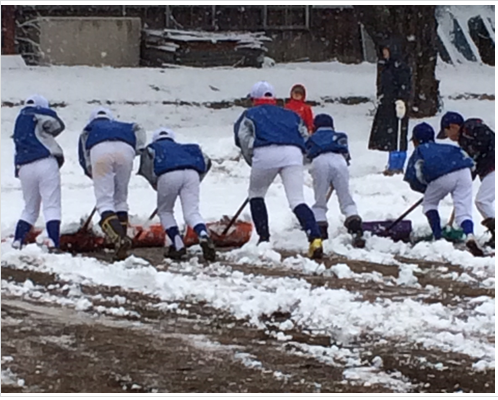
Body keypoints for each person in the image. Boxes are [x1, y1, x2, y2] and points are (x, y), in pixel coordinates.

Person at [234, 81, 323, 260]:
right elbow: (305, 135)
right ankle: (315, 236)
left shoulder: (250, 114)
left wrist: (251, 157)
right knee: (297, 200)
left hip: (265, 151)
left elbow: (242, 137)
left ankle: (264, 238)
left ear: (254, 99)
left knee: (256, 194)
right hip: (293, 152)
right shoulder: (290, 114)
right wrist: (301, 156)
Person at [404, 122, 484, 257]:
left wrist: (426, 190)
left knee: (429, 204)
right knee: (463, 209)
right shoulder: (447, 147)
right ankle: (470, 235)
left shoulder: (421, 150)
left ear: (416, 141)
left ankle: (438, 238)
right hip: (464, 171)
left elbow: (414, 176)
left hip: (443, 175)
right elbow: (467, 158)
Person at [137, 127, 216, 261]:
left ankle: (178, 245)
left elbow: (147, 170)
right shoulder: (184, 149)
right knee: (192, 212)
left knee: (165, 212)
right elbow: (207, 162)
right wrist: (197, 180)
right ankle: (203, 234)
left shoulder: (153, 149)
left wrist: (157, 185)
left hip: (167, 174)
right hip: (192, 173)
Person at [78, 107, 146, 261]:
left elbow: (83, 153)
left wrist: (90, 171)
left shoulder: (89, 128)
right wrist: (137, 149)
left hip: (99, 150)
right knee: (120, 199)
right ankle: (121, 241)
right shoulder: (124, 125)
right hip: (126, 149)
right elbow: (139, 129)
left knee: (104, 202)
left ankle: (119, 239)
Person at [11, 95, 65, 250]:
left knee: (30, 208)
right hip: (45, 161)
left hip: (24, 166)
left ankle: (18, 239)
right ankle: (53, 240)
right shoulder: (38, 115)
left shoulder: (19, 122)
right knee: (51, 205)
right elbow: (58, 125)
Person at [305, 113, 365, 248]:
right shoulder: (340, 136)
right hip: (340, 161)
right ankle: (354, 223)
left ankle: (320, 228)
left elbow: (307, 155)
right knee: (345, 197)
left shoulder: (312, 138)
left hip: (319, 161)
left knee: (320, 199)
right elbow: (346, 155)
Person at [437, 111, 495, 248]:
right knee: (483, 200)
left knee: (483, 200)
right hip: (488, 170)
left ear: (453, 127)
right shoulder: (464, 142)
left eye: (446, 133)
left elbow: (487, 140)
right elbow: (472, 162)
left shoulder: (471, 128)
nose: (448, 137)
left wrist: (475, 157)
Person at [368, 39, 412, 176]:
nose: (385, 53)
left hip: (398, 105)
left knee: (398, 135)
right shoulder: (387, 66)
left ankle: (397, 165)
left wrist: (402, 100)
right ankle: (392, 162)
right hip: (387, 105)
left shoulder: (401, 67)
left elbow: (405, 85)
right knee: (391, 135)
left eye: (387, 50)